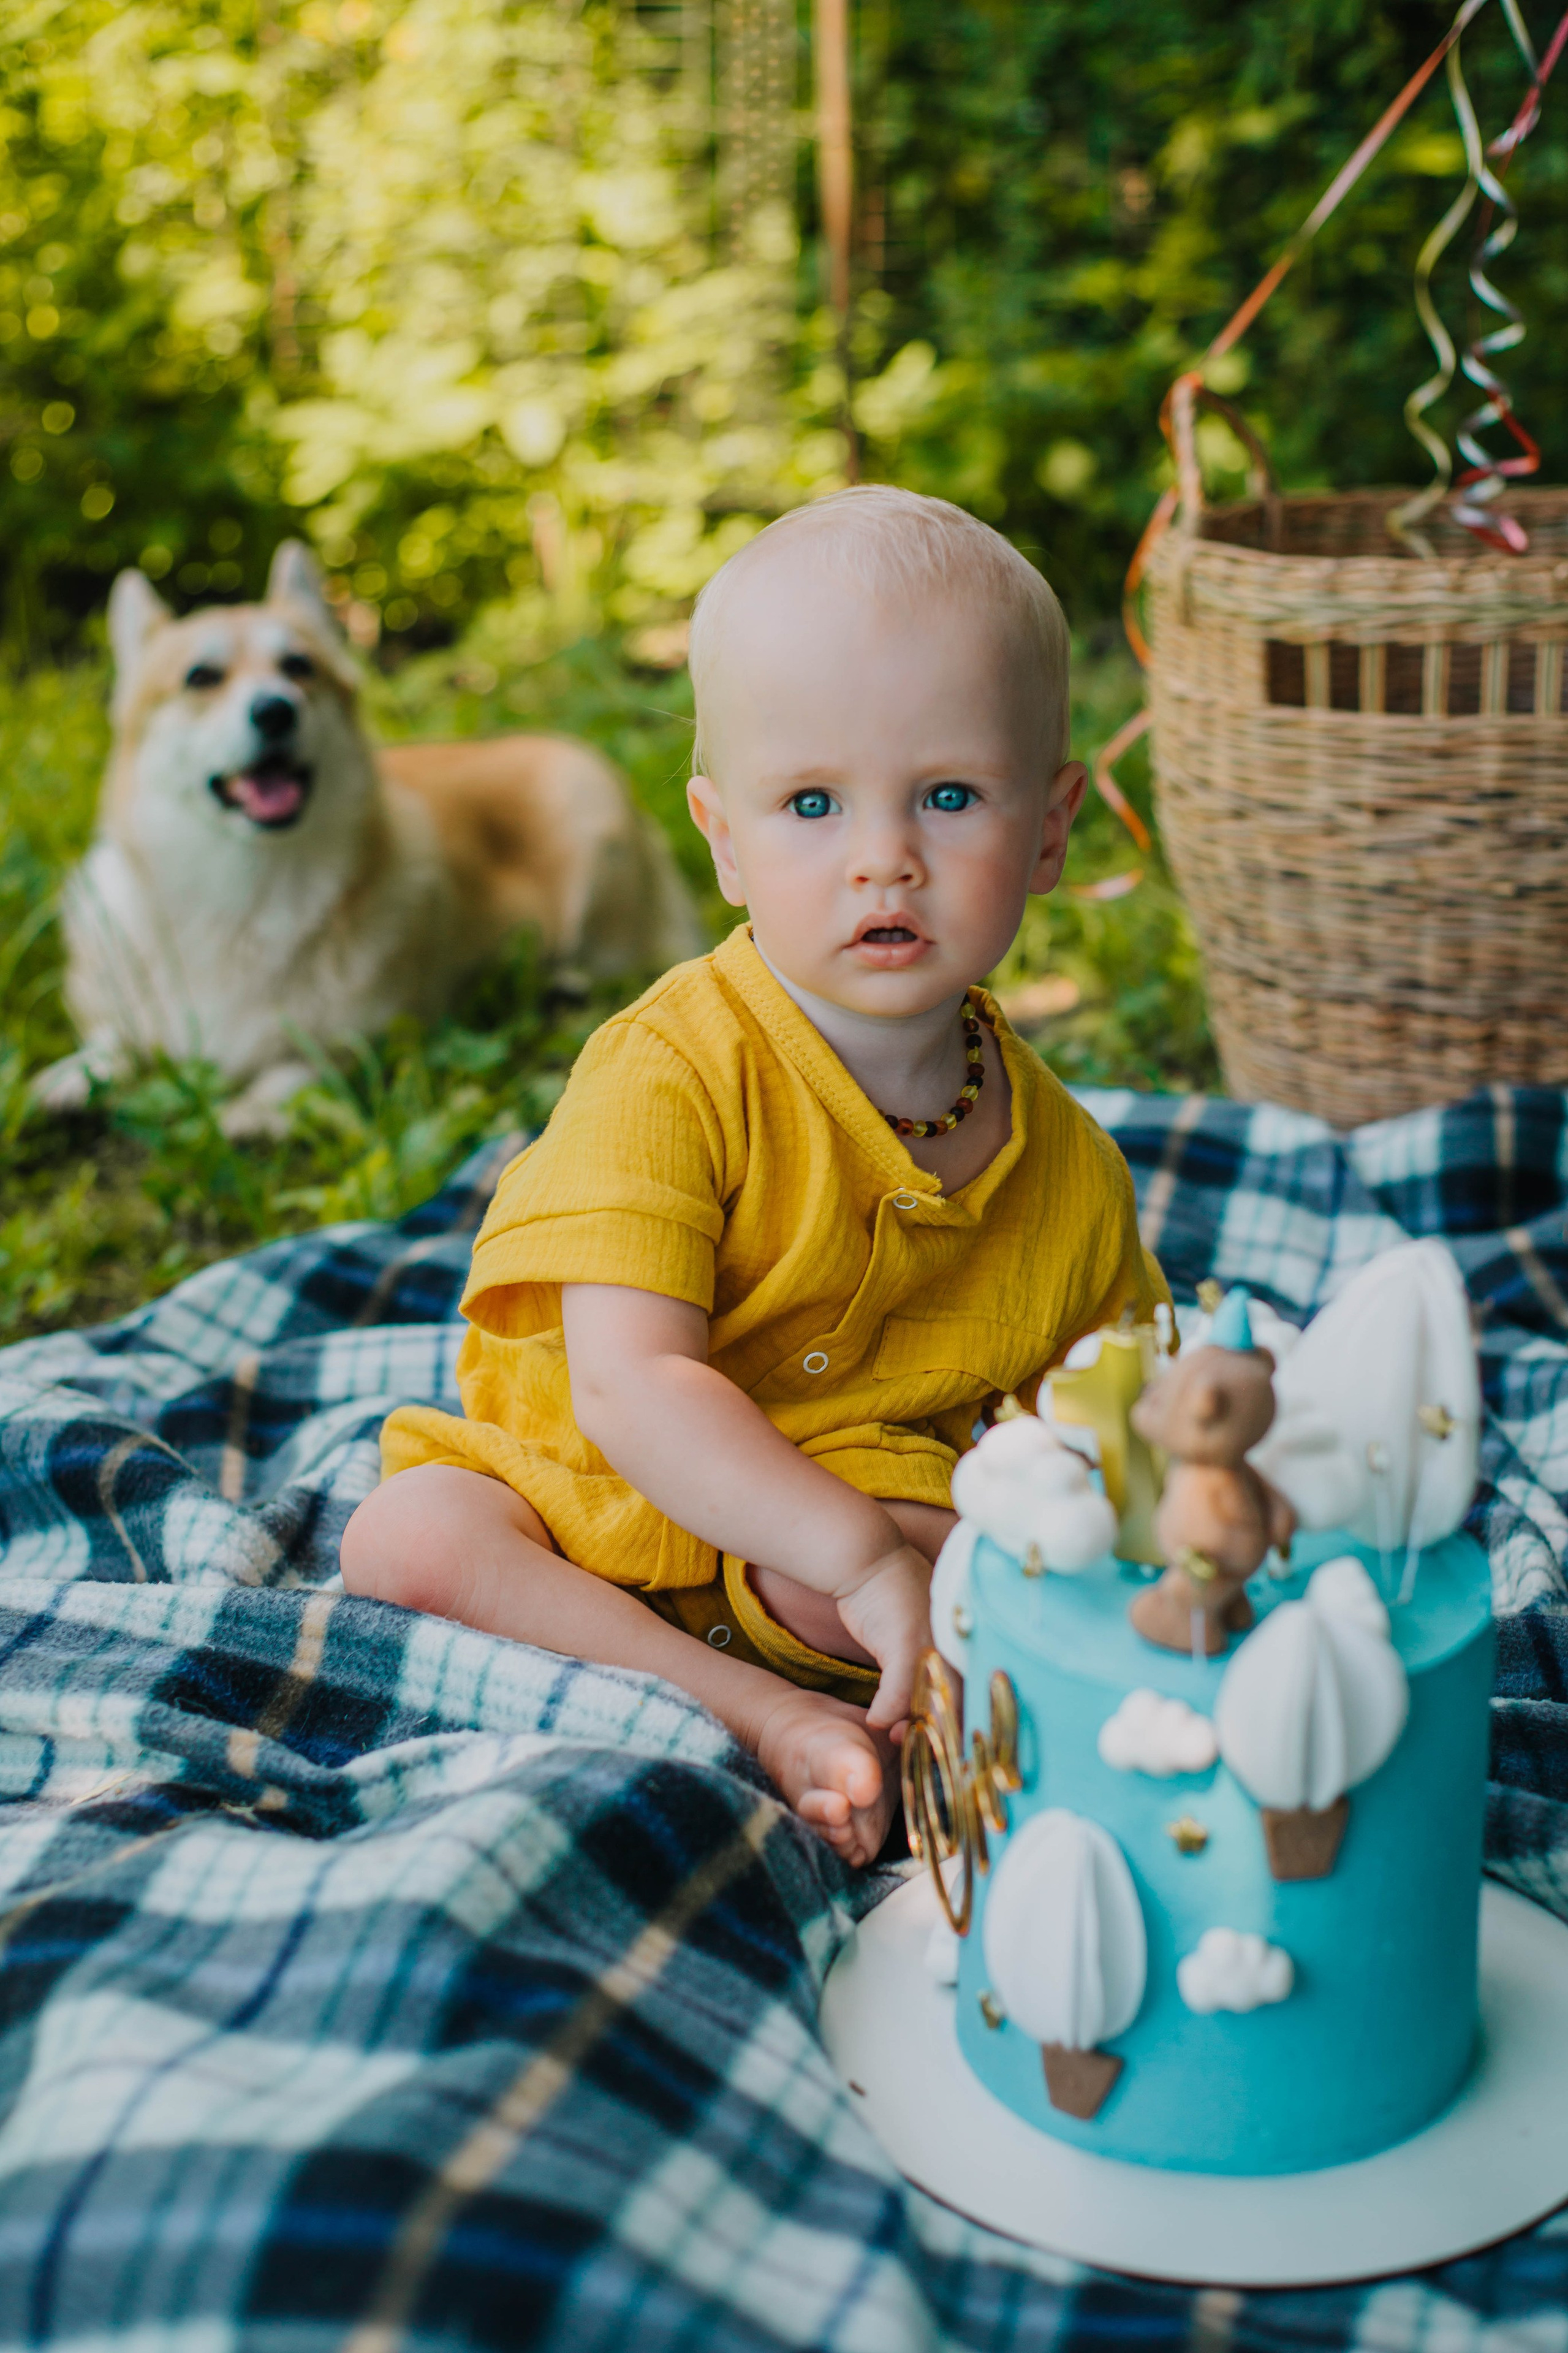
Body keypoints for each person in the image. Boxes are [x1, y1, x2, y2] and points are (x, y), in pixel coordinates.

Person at [343, 486, 1169, 1865]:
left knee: (982, 1542)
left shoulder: (1067, 1167)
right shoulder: (671, 1068)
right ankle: (757, 1715)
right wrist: (857, 1557)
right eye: (810, 803)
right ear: (723, 838)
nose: (881, 857)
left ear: (1047, 827)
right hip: (598, 1509)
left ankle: (929, 1724)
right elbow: (627, 1382)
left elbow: (1110, 1419)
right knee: (409, 1533)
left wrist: (1122, 1496)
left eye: (949, 795)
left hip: (839, 1558)